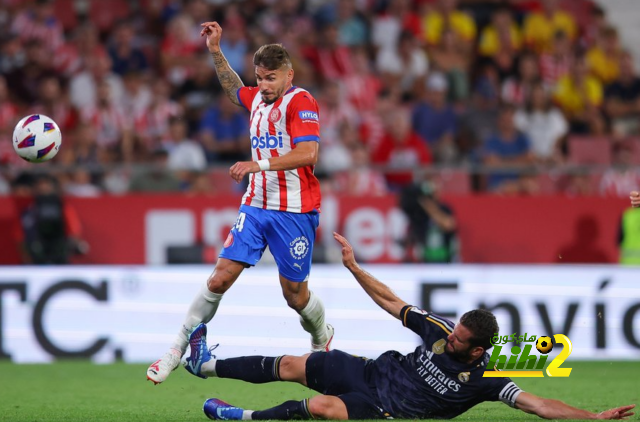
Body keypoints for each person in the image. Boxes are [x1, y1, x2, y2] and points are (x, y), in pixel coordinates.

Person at [182, 233, 636, 420]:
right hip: (369, 372)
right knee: (296, 363)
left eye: (460, 339)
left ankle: (240, 417)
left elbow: (540, 403)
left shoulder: (488, 379)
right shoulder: (440, 329)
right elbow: (391, 302)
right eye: (453, 331)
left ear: (478, 351)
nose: (450, 336)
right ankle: (205, 365)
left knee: (322, 408)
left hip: (384, 409)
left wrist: (591, 417)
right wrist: (355, 268)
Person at [146, 21, 333, 385]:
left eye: (271, 79)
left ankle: (322, 337)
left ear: (288, 75)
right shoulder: (257, 100)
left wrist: (256, 164)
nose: (263, 86)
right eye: (259, 78)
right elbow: (235, 90)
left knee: (295, 296)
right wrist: (216, 51)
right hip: (256, 206)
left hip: (294, 211)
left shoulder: (302, 101)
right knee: (219, 279)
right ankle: (174, 350)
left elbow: (308, 154)